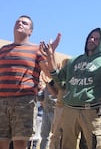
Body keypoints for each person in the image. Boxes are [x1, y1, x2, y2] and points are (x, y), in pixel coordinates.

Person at [40, 27, 101, 149]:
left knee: (97, 145)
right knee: (65, 145)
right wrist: (50, 56)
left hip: (90, 110)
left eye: (96, 39)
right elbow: (59, 79)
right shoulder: (73, 61)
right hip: (69, 109)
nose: (91, 40)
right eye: (90, 37)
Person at [0, 15, 60, 149]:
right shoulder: (3, 50)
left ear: (30, 31)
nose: (19, 24)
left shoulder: (37, 50)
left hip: (24, 101)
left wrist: (50, 55)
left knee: (20, 143)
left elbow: (50, 74)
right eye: (17, 22)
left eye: (24, 23)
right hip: (2, 101)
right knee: (1, 142)